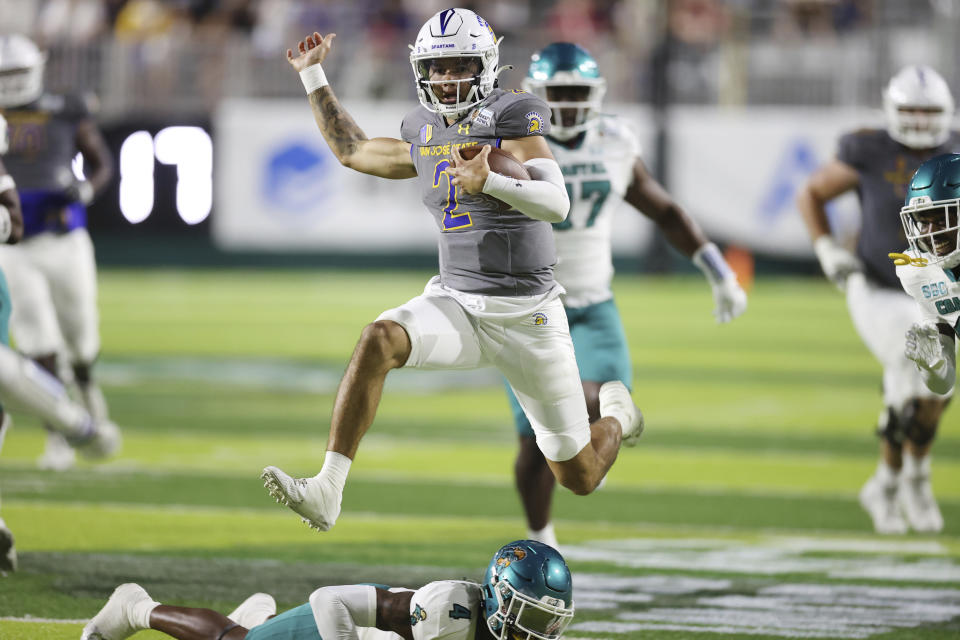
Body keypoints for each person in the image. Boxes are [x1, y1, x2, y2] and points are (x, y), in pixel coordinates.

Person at [261, 9, 644, 533]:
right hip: (458, 302)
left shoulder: (513, 114)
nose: (446, 79)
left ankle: (618, 415)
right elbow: (353, 150)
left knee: (577, 476)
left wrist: (492, 182)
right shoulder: (422, 126)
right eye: (437, 69)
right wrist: (313, 75)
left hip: (528, 315)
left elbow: (557, 203)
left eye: (458, 66)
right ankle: (328, 487)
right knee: (380, 338)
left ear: (485, 66)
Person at [512, 42, 748, 547]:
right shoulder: (512, 140)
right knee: (535, 445)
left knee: (583, 406)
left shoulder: (614, 141)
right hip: (530, 310)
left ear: (595, 96)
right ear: (536, 95)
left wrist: (717, 267)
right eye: (557, 95)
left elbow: (663, 209)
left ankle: (612, 408)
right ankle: (541, 535)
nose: (567, 106)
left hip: (594, 305)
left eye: (576, 94)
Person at [797, 65, 960, 534]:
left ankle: (894, 479)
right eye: (910, 109)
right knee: (912, 369)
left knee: (936, 391)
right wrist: (828, 248)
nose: (920, 120)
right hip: (878, 284)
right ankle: (908, 481)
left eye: (929, 111)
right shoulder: (868, 147)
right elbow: (812, 192)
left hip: (940, 288)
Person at [0, 112, 119, 574]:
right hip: (16, 261)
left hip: (56, 244)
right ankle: (74, 428)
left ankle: (79, 416)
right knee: (29, 354)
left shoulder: (62, 111)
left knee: (74, 343)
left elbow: (9, 215)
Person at [0, 33, 115, 472]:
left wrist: (84, 188)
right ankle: (60, 432)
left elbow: (100, 162)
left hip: (64, 238)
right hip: (12, 245)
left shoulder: (66, 109)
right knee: (39, 343)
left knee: (81, 339)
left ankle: (86, 387)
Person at [81, 539, 575, 640]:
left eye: (547, 622)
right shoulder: (445, 611)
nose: (538, 635)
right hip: (339, 631)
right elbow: (328, 600)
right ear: (500, 599)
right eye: (530, 619)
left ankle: (259, 616)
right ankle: (135, 607)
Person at [894, 153, 960, 503]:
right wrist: (933, 366)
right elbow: (945, 381)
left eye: (942, 219)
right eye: (924, 221)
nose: (932, 233)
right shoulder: (920, 272)